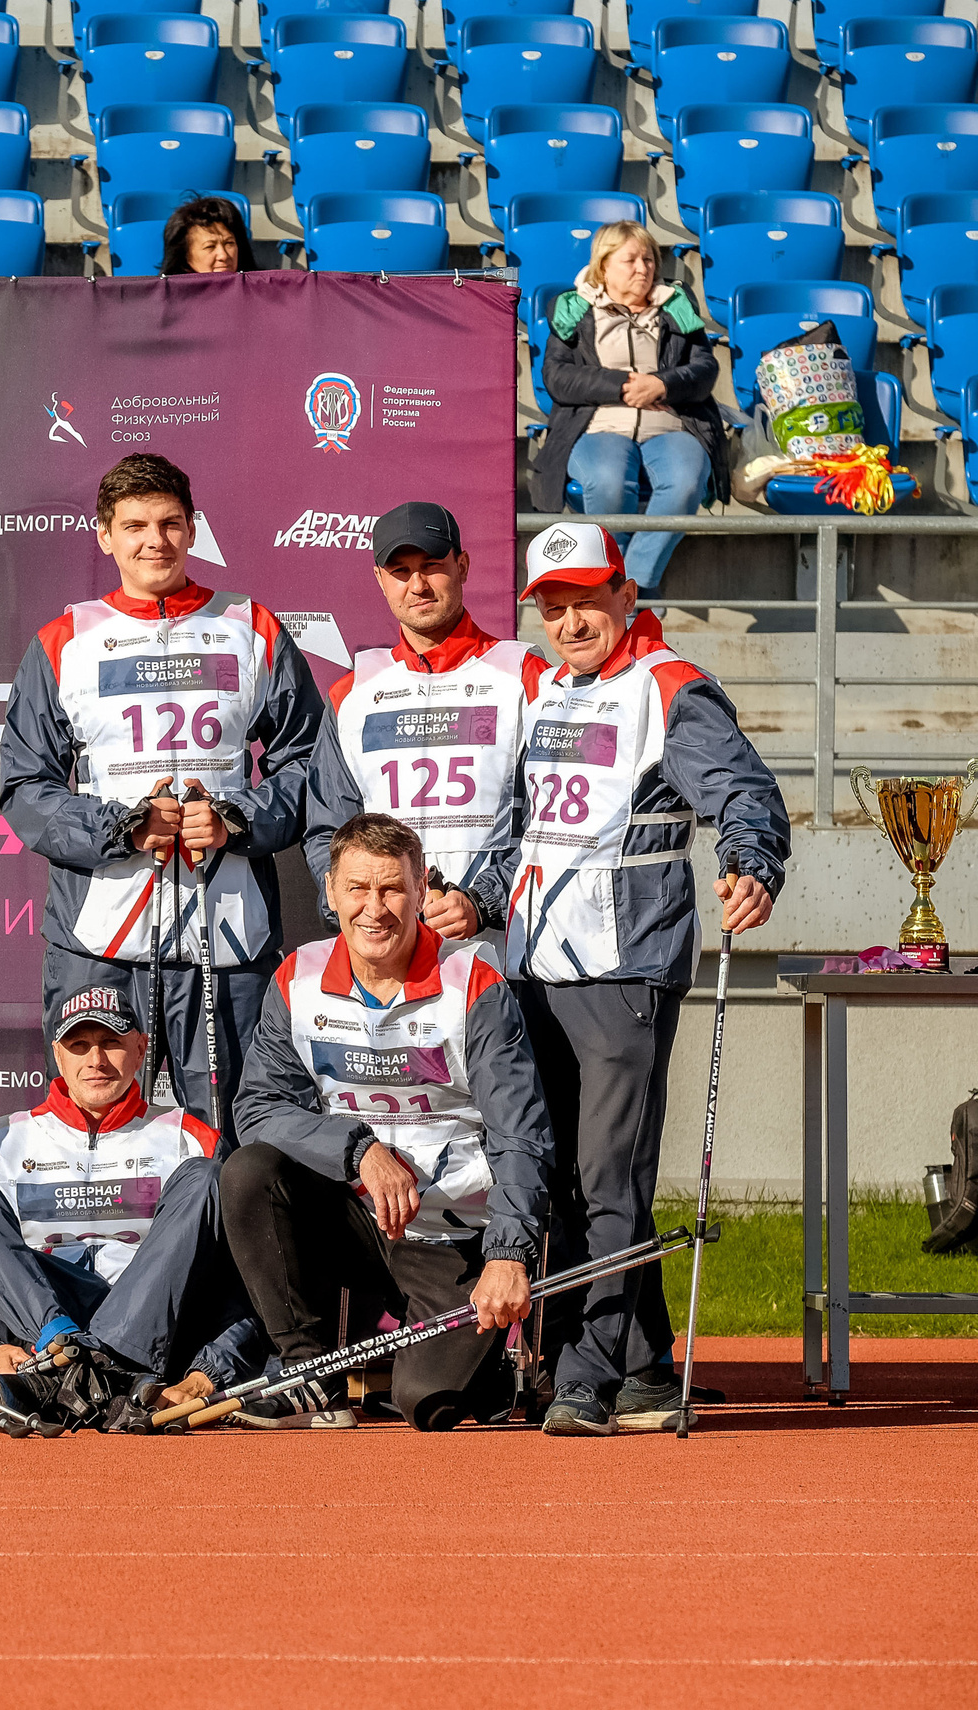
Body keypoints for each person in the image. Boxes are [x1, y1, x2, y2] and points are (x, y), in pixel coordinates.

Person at [485, 523, 787, 1435]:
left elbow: (744, 792)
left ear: (625, 592)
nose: (570, 619)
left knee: (607, 1176)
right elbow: (522, 831)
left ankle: (586, 1374)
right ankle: (647, 1367)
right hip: (533, 964)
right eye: (551, 604)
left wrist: (750, 861)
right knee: (567, 1177)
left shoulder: (672, 689)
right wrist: (473, 899)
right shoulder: (542, 689)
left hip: (624, 966)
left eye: (586, 597)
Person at [0, 452, 325, 1135]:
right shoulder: (65, 641)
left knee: (235, 1138)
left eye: (171, 524)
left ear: (193, 528)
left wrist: (237, 819)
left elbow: (311, 768)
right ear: (105, 535)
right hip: (100, 940)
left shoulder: (252, 626)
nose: (156, 540)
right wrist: (120, 827)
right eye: (136, 525)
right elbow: (26, 788)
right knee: (97, 1133)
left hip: (229, 934)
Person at [223, 813, 553, 1431]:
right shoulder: (297, 978)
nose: (374, 909)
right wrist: (358, 1150)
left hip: (451, 1233)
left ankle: (473, 1364)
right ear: (329, 892)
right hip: (352, 1219)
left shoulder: (473, 981)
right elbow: (260, 1109)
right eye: (357, 889)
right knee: (249, 1174)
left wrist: (509, 1254)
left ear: (421, 885)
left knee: (431, 1403)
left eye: (392, 889)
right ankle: (309, 1377)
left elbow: (521, 1132)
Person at [0, 982, 266, 1432]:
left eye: (111, 1043)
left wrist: (207, 1374)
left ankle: (99, 1361)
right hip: (42, 1334)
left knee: (205, 1178)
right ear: (58, 1056)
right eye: (79, 1045)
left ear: (140, 1049)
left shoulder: (193, 1139)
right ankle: (69, 1350)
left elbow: (247, 1281)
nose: (95, 1061)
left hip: (149, 1334)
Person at [304, 501, 535, 934]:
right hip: (385, 948)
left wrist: (483, 900)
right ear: (379, 579)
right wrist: (355, 908)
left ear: (463, 566)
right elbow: (328, 833)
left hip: (497, 944)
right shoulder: (351, 693)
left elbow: (549, 825)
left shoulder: (524, 676)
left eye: (432, 565)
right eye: (400, 572)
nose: (418, 585)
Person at [531, 219, 730, 595]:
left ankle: (629, 584)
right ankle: (617, 581)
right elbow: (556, 376)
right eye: (631, 260)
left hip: (671, 422)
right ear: (603, 266)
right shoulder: (574, 308)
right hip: (598, 423)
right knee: (606, 480)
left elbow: (706, 368)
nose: (645, 268)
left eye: (650, 259)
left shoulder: (676, 305)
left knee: (687, 484)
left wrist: (662, 383)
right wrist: (621, 386)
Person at [160, 197, 256, 275]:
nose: (223, 256)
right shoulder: (167, 297)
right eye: (210, 246)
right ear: (184, 258)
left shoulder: (259, 292)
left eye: (229, 243)